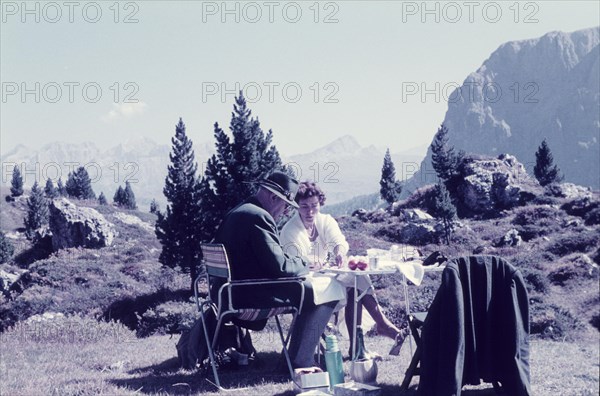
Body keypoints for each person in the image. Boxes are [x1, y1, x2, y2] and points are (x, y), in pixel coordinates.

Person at [213, 171, 339, 370]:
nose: (287, 212)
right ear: (273, 197)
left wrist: (292, 262)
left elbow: (269, 260)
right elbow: (279, 267)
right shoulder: (259, 217)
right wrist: (304, 262)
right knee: (328, 291)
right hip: (247, 296)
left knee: (310, 290)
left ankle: (292, 359)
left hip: (228, 294)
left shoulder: (239, 211)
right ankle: (301, 361)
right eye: (287, 206)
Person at [280, 181, 409, 357]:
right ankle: (378, 330)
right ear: (297, 206)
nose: (310, 212)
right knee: (352, 284)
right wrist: (312, 262)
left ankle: (366, 339)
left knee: (356, 278)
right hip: (304, 281)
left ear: (320, 204)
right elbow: (293, 260)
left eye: (314, 206)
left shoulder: (325, 221)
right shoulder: (290, 230)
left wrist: (339, 252)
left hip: (323, 274)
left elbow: (338, 241)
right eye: (304, 207)